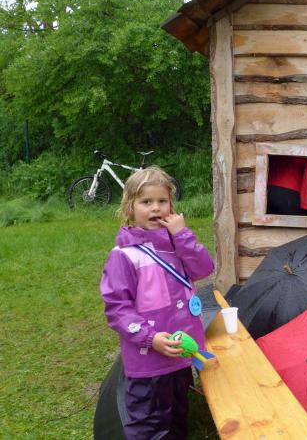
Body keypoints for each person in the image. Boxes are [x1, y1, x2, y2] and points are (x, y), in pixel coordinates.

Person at [99, 167, 215, 438]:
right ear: (130, 207)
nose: (156, 208)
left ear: (171, 206)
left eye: (162, 201)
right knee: (149, 425)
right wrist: (151, 338)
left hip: (180, 355)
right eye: (146, 202)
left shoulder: (176, 244)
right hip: (149, 361)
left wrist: (183, 235)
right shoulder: (124, 256)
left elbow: (203, 268)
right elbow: (117, 308)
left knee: (176, 418)